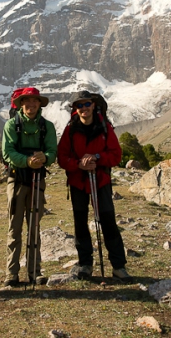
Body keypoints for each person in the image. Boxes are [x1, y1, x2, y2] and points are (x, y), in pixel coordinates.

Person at [57, 90, 132, 281]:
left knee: (108, 221)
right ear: (75, 108)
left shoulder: (105, 127)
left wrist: (97, 158)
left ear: (93, 105)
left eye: (87, 104)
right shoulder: (70, 129)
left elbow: (116, 155)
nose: (84, 108)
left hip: (101, 181)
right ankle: (85, 265)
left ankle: (118, 266)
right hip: (78, 182)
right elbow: (62, 157)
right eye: (79, 105)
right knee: (80, 223)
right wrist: (78, 164)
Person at [1, 87, 57, 286]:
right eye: (27, 101)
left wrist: (46, 158)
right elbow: (7, 153)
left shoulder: (47, 127)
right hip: (16, 180)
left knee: (34, 225)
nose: (31, 105)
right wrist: (27, 161)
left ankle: (35, 272)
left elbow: (52, 151)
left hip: (37, 181)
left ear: (39, 104)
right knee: (14, 227)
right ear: (21, 104)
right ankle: (11, 274)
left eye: (35, 101)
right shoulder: (11, 125)